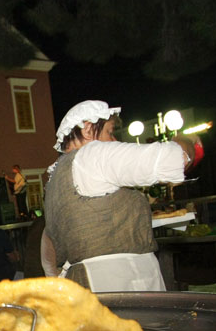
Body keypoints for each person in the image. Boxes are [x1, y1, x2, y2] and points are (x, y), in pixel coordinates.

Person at [44, 100, 199, 292]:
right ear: (87, 129)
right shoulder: (92, 154)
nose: (114, 140)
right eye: (109, 132)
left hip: (83, 279)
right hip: (122, 277)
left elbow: (48, 244)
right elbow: (176, 159)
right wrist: (188, 140)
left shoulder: (55, 177)